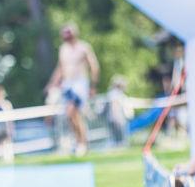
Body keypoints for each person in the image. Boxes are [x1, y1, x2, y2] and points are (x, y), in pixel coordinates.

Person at [45, 23, 99, 156]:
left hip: (80, 84)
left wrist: (93, 86)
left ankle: (82, 143)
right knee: (72, 116)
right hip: (67, 84)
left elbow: (94, 66)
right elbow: (60, 68)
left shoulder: (84, 47)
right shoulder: (63, 49)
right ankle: (81, 142)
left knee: (72, 111)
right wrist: (52, 83)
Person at [106, 75, 133, 146]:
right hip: (116, 118)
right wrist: (117, 118)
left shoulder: (114, 93)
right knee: (119, 138)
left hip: (115, 118)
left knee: (118, 137)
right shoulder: (114, 94)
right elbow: (114, 106)